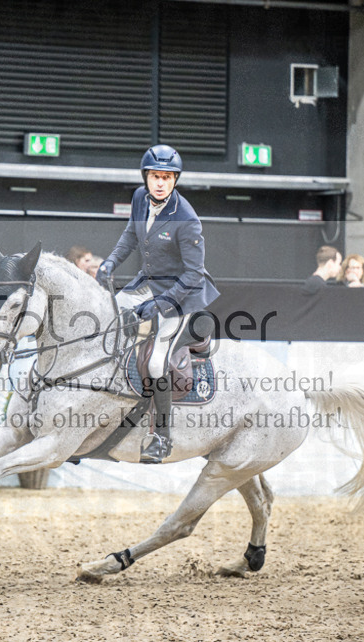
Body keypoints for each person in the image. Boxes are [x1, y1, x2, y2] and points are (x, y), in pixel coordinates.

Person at [96, 144, 219, 463]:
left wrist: (162, 305)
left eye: (167, 177)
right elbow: (130, 236)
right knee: (103, 321)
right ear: (146, 178)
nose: (160, 183)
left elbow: (193, 274)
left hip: (181, 293)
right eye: (155, 176)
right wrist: (110, 262)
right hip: (147, 284)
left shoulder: (187, 219)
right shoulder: (139, 198)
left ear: (174, 180)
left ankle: (162, 436)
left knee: (155, 362)